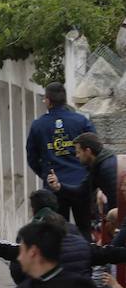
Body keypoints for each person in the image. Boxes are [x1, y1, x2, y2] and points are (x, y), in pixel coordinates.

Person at [26, 82, 95, 236]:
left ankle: (61, 259)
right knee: (84, 228)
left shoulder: (38, 125)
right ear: (65, 100)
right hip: (81, 182)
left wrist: (45, 174)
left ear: (48, 100)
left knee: (57, 231)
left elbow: (32, 156)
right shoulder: (81, 121)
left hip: (54, 185)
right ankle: (87, 257)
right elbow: (95, 148)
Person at [49, 131, 121, 237]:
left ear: (87, 151)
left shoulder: (106, 169)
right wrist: (58, 186)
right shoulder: (100, 165)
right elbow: (82, 191)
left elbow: (117, 202)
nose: (77, 156)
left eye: (78, 152)